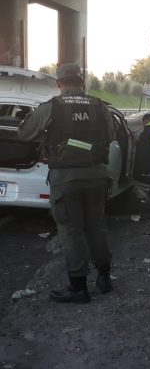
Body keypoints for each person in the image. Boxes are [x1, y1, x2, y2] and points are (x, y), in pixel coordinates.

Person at [18, 63, 115, 304]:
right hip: (96, 175)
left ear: (59, 83)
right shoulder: (100, 107)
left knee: (72, 231)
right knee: (96, 226)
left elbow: (24, 133)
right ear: (82, 82)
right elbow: (112, 137)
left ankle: (78, 287)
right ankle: (104, 278)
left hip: (66, 178)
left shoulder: (51, 107)